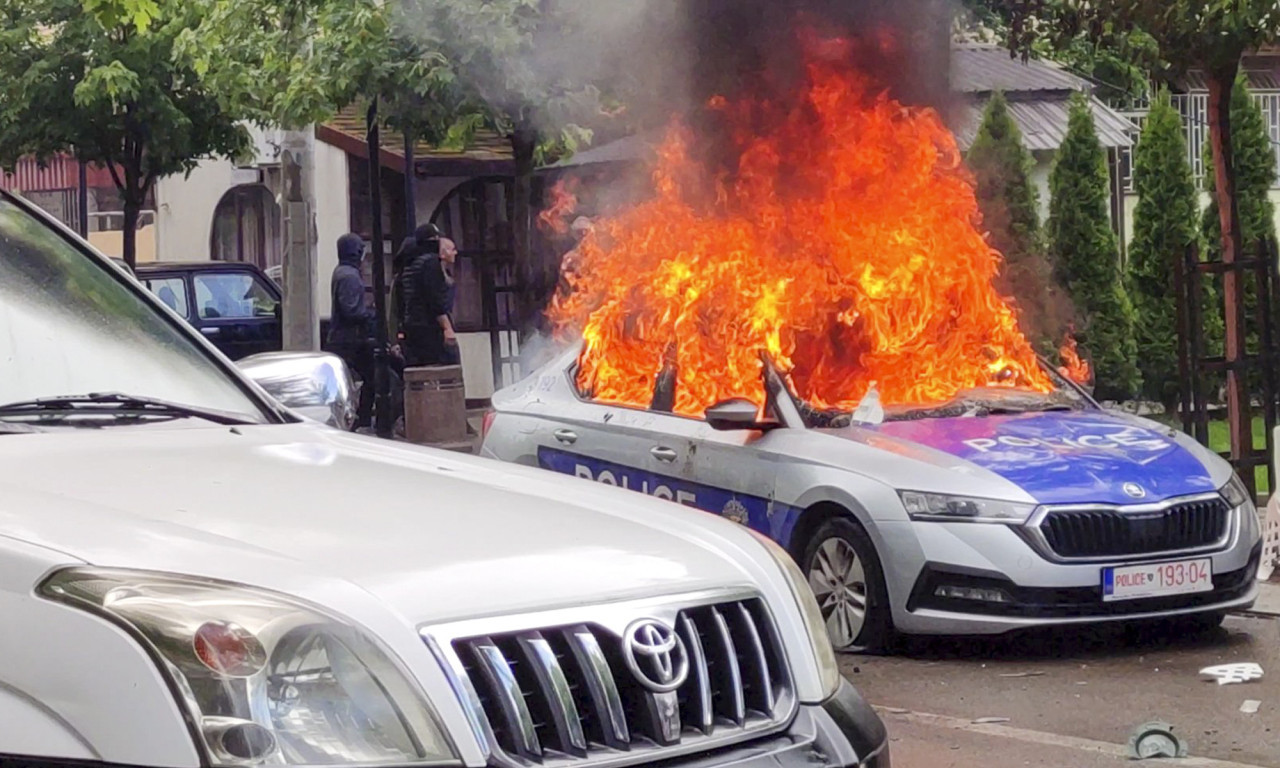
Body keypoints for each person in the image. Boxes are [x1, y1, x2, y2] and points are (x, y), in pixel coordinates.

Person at [326, 233, 376, 428]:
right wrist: (369, 314)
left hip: (343, 337)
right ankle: (361, 419)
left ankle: (356, 418)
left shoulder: (342, 271)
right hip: (351, 339)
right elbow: (351, 310)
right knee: (372, 377)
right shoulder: (349, 275)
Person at [398, 224, 459, 367]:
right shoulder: (431, 263)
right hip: (429, 327)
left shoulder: (410, 264)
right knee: (444, 367)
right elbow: (435, 299)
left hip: (412, 325)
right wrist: (447, 328)